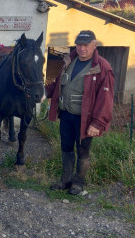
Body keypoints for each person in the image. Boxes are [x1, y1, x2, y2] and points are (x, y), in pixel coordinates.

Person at [45, 30, 114, 195]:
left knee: (83, 150)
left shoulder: (102, 67)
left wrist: (98, 123)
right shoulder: (70, 61)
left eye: (86, 45)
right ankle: (66, 180)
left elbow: (106, 99)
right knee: (66, 147)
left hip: (85, 119)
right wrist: (44, 93)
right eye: (79, 45)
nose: (82, 49)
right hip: (67, 115)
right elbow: (57, 83)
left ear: (94, 45)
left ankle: (79, 183)